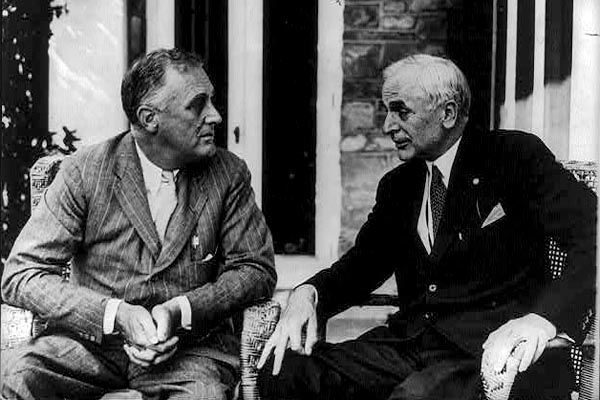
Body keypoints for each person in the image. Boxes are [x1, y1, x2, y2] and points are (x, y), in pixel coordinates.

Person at [257, 54, 596, 400]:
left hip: (485, 354)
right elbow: (361, 266)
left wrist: (544, 319)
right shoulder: (398, 186)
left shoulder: (513, 156)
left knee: (413, 397)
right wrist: (308, 294)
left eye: (401, 111)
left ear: (447, 114)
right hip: (409, 344)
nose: (388, 125)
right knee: (282, 374)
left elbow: (591, 232)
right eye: (387, 111)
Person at [1, 48, 276, 400]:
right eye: (198, 105)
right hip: (90, 347)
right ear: (149, 118)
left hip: (190, 354)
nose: (216, 116)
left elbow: (256, 269)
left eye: (212, 102)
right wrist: (115, 315)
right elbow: (21, 274)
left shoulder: (229, 174)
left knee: (205, 396)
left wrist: (183, 310)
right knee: (18, 376)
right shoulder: (85, 171)